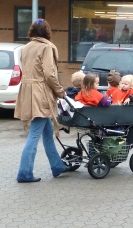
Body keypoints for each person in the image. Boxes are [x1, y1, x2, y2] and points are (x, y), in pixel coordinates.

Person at [14, 18, 69, 183]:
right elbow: (49, 75)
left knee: (46, 134)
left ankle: (57, 166)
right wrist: (60, 92)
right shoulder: (46, 48)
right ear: (47, 32)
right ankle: (24, 173)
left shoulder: (26, 48)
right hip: (41, 94)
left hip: (28, 92)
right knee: (34, 134)